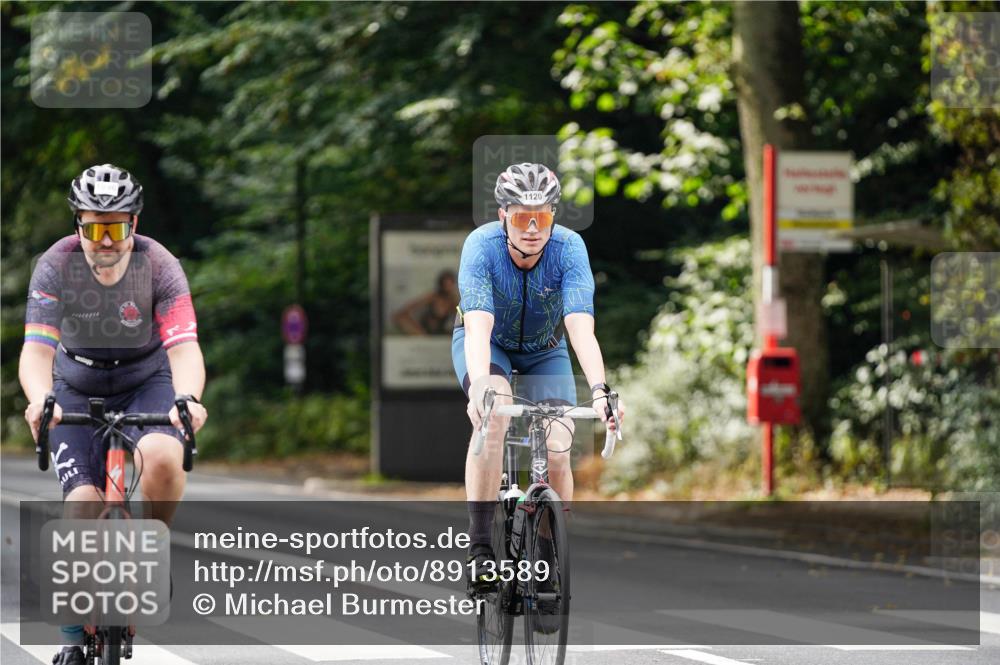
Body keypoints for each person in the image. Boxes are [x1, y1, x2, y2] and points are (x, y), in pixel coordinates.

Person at [19, 164, 208, 665]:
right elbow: (37, 351)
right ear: (77, 225)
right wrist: (41, 398)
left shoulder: (160, 265)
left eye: (117, 227)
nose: (105, 241)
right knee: (81, 507)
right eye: (94, 228)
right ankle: (71, 637)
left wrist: (187, 399)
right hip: (75, 386)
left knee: (165, 458)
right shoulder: (56, 265)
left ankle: (152, 547)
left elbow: (185, 348)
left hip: (145, 381)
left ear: (135, 226)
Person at [453, 162, 625, 593]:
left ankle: (548, 555)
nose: (532, 228)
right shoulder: (481, 246)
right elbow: (478, 327)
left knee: (560, 445)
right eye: (520, 217)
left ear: (554, 216)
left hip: (546, 350)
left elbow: (580, 327)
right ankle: (479, 550)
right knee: (493, 417)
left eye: (543, 217)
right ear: (502, 217)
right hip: (488, 345)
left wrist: (601, 390)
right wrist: (479, 386)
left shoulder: (569, 249)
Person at [392, 269, 460, 335]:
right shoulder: (433, 297)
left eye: (450, 285)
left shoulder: (453, 300)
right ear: (441, 284)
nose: (448, 287)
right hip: (423, 331)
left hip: (440, 332)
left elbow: (460, 318)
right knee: (400, 318)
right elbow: (407, 309)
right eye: (445, 284)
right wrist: (418, 328)